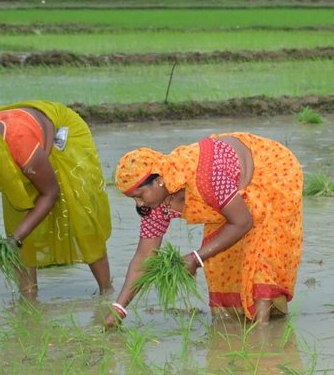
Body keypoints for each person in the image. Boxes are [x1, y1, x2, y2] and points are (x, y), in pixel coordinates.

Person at [113, 133, 303, 323]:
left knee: (262, 252)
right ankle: (237, 324)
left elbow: (243, 222)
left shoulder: (206, 176)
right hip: (230, 193)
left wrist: (195, 258)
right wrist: (118, 310)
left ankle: (263, 332)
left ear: (159, 181)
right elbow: (143, 257)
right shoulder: (156, 206)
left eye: (140, 195)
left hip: (270, 170)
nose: (139, 204)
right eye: (134, 199)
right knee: (223, 260)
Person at [0, 101, 111, 298]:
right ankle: (28, 298)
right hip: (21, 148)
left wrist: (15, 239)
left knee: (79, 215)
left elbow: (50, 193)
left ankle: (107, 291)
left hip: (59, 134)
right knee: (18, 218)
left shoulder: (19, 146)